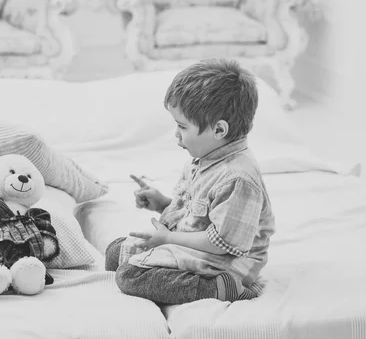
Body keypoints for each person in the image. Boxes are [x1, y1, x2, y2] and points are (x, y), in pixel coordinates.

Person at [104, 59, 276, 304]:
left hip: (226, 263)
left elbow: (222, 245)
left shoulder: (238, 179)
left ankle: (219, 288)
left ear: (219, 130)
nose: (176, 133)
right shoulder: (204, 159)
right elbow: (197, 214)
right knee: (114, 253)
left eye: (182, 126)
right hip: (197, 245)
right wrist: (162, 203)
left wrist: (168, 239)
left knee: (128, 277)